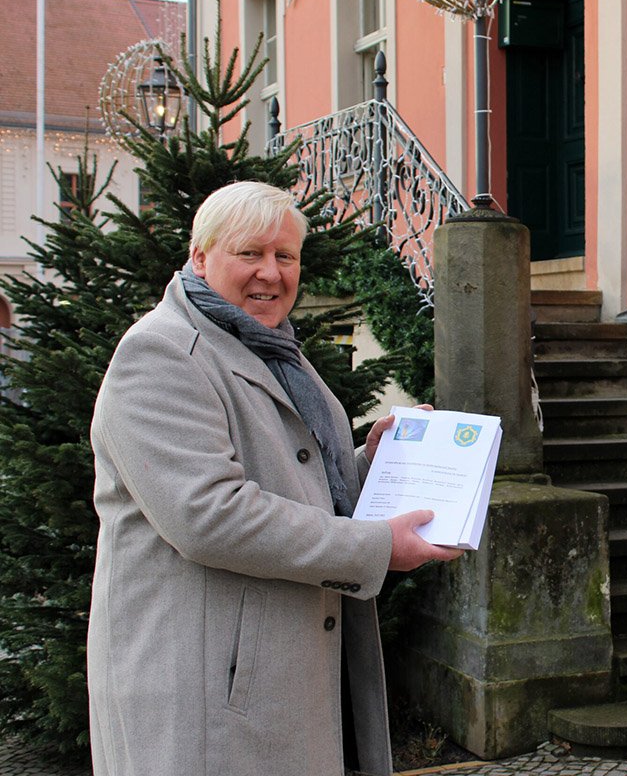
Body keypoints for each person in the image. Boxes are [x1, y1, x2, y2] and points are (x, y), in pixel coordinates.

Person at [87, 181, 462, 776]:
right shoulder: (160, 355)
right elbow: (211, 516)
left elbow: (301, 484)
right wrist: (378, 545)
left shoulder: (271, 347)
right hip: (207, 692)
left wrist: (376, 462)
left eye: (285, 257)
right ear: (200, 257)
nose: (271, 273)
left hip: (283, 674)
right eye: (250, 253)